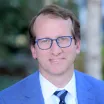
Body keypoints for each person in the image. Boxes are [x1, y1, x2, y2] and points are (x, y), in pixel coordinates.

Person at [0, 4, 104, 104]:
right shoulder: (6, 100)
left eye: (63, 39)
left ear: (77, 45)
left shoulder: (101, 93)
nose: (56, 51)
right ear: (34, 50)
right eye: (45, 41)